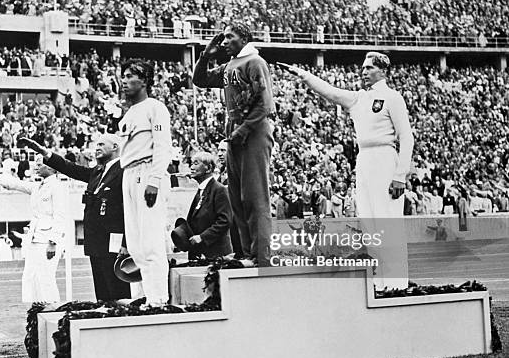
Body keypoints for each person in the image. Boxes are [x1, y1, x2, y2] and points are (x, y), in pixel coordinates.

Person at [282, 52, 414, 290]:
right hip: (364, 159)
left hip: (385, 157)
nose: (363, 72)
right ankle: (381, 282)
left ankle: (397, 284)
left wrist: (400, 175)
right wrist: (302, 74)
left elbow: (406, 137)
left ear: (383, 71)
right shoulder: (358, 99)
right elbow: (329, 91)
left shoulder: (393, 98)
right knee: (369, 223)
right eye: (362, 68)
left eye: (369, 68)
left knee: (387, 221)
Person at [193, 23, 275, 267]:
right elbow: (202, 80)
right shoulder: (230, 64)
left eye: (230, 36)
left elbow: (265, 103)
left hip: (253, 130)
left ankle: (262, 256)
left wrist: (244, 130)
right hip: (235, 132)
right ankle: (246, 252)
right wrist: (206, 56)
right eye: (224, 37)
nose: (225, 41)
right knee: (237, 196)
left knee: (255, 196)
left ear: (244, 39)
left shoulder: (254, 62)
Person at [19, 134, 131, 302]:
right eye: (96, 144)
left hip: (114, 243)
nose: (97, 148)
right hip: (97, 243)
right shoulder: (97, 172)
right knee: (102, 295)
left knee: (118, 293)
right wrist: (45, 153)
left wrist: (126, 243)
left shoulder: (124, 171)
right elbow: (70, 168)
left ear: (115, 147)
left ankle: (123, 326)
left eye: (101, 144)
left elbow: (128, 209)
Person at [117, 59, 172, 307]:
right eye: (124, 76)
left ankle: (159, 298)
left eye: (131, 76)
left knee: (151, 241)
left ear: (145, 81)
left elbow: (162, 146)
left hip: (147, 171)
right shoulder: (129, 113)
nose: (125, 80)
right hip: (129, 173)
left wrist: (155, 179)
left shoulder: (155, 108)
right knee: (136, 245)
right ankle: (144, 296)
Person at [0, 155, 69, 303]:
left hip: (47, 239)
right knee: (30, 276)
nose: (35, 167)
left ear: (51, 167)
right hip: (34, 237)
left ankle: (53, 310)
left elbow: (60, 216)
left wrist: (53, 242)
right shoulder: (38, 186)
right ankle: (33, 309)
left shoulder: (57, 187)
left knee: (46, 277)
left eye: (39, 165)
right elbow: (15, 184)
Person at [177, 151, 232, 260]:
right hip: (200, 254)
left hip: (216, 254)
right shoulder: (200, 191)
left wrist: (203, 237)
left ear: (208, 168)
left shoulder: (219, 190)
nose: (191, 167)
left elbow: (225, 221)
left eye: (196, 163)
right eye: (191, 163)